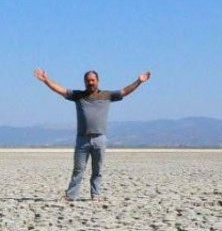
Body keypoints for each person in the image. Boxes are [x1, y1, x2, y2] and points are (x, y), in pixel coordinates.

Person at [34, 67, 152, 201]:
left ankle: (95, 195)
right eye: (88, 81)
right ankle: (71, 196)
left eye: (93, 80)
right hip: (82, 139)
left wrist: (139, 81)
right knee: (78, 169)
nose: (91, 83)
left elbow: (124, 91)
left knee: (97, 170)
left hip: (100, 139)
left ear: (98, 81)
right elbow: (60, 90)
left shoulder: (107, 95)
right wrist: (46, 80)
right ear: (85, 82)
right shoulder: (78, 96)